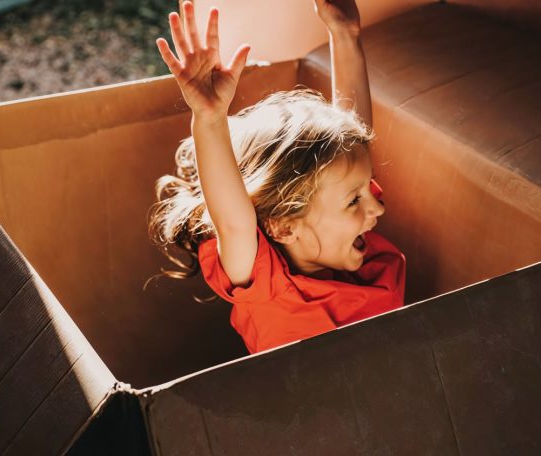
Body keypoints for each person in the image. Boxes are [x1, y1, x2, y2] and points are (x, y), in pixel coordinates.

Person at [149, 0, 405, 354]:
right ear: (285, 227)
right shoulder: (265, 284)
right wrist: (209, 117)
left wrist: (345, 35)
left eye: (365, 191)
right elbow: (234, 222)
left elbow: (354, 138)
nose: (377, 206)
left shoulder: (351, 252)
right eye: (354, 200)